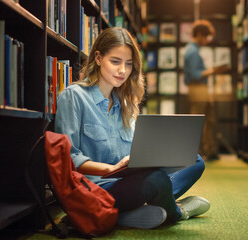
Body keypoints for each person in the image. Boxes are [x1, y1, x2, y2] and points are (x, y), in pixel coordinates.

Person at [55, 27, 210, 230]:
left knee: (194, 160)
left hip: (128, 182)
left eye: (128, 64)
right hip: (94, 189)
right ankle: (177, 212)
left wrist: (156, 156)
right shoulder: (73, 96)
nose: (123, 71)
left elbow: (135, 154)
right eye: (115, 62)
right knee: (156, 181)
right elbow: (68, 159)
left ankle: (123, 213)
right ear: (99, 58)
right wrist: (110, 169)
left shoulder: (126, 104)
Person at [184, 19, 229, 160]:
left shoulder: (194, 51)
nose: (207, 40)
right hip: (197, 88)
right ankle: (197, 153)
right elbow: (195, 75)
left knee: (209, 120)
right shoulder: (192, 52)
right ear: (200, 35)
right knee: (199, 122)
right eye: (206, 36)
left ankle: (209, 151)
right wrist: (214, 71)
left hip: (201, 88)